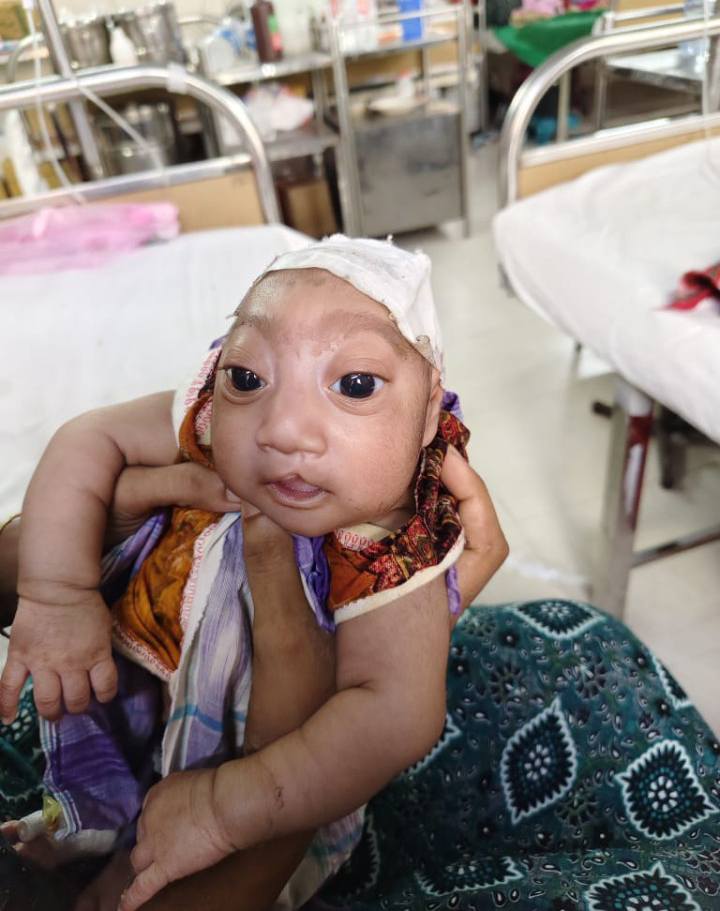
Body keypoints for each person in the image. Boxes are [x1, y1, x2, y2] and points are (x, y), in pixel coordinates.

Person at [0, 236, 509, 910]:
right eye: (248, 376)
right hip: (148, 685)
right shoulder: (212, 421)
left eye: (355, 385)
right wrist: (57, 593)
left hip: (269, 784)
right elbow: (89, 436)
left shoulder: (395, 534)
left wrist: (224, 807)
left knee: (159, 866)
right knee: (111, 767)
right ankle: (91, 824)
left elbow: (396, 714)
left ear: (428, 416)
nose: (284, 427)